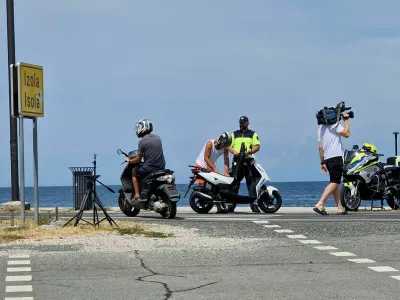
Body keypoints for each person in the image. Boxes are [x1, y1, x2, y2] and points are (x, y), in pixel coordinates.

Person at [313, 109, 351, 215]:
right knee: (335, 182)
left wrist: (322, 162)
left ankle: (340, 208)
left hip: (328, 159)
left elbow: (320, 147)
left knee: (334, 182)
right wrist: (346, 120)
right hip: (337, 157)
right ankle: (320, 204)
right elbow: (347, 134)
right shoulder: (335, 125)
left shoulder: (320, 128)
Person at [125, 118, 166, 201]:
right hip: (161, 166)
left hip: (150, 167)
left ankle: (137, 195)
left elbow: (138, 159)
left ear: (142, 128)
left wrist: (129, 160)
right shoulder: (158, 138)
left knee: (134, 171)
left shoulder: (142, 141)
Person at [227, 116, 261, 213]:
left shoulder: (252, 134)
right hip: (237, 161)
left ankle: (253, 204)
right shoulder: (234, 134)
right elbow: (228, 145)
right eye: (240, 123)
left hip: (247, 161)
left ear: (247, 123)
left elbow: (257, 146)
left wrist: (248, 152)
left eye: (243, 123)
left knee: (251, 183)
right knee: (234, 183)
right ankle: (231, 205)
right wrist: (234, 152)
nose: (241, 124)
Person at [195, 132, 232, 213]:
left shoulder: (225, 148)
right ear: (221, 141)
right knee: (203, 186)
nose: (225, 146)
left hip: (210, 166)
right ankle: (202, 205)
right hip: (201, 165)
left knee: (216, 186)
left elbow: (226, 160)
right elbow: (206, 158)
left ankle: (219, 208)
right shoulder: (210, 144)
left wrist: (226, 172)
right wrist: (214, 168)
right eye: (224, 144)